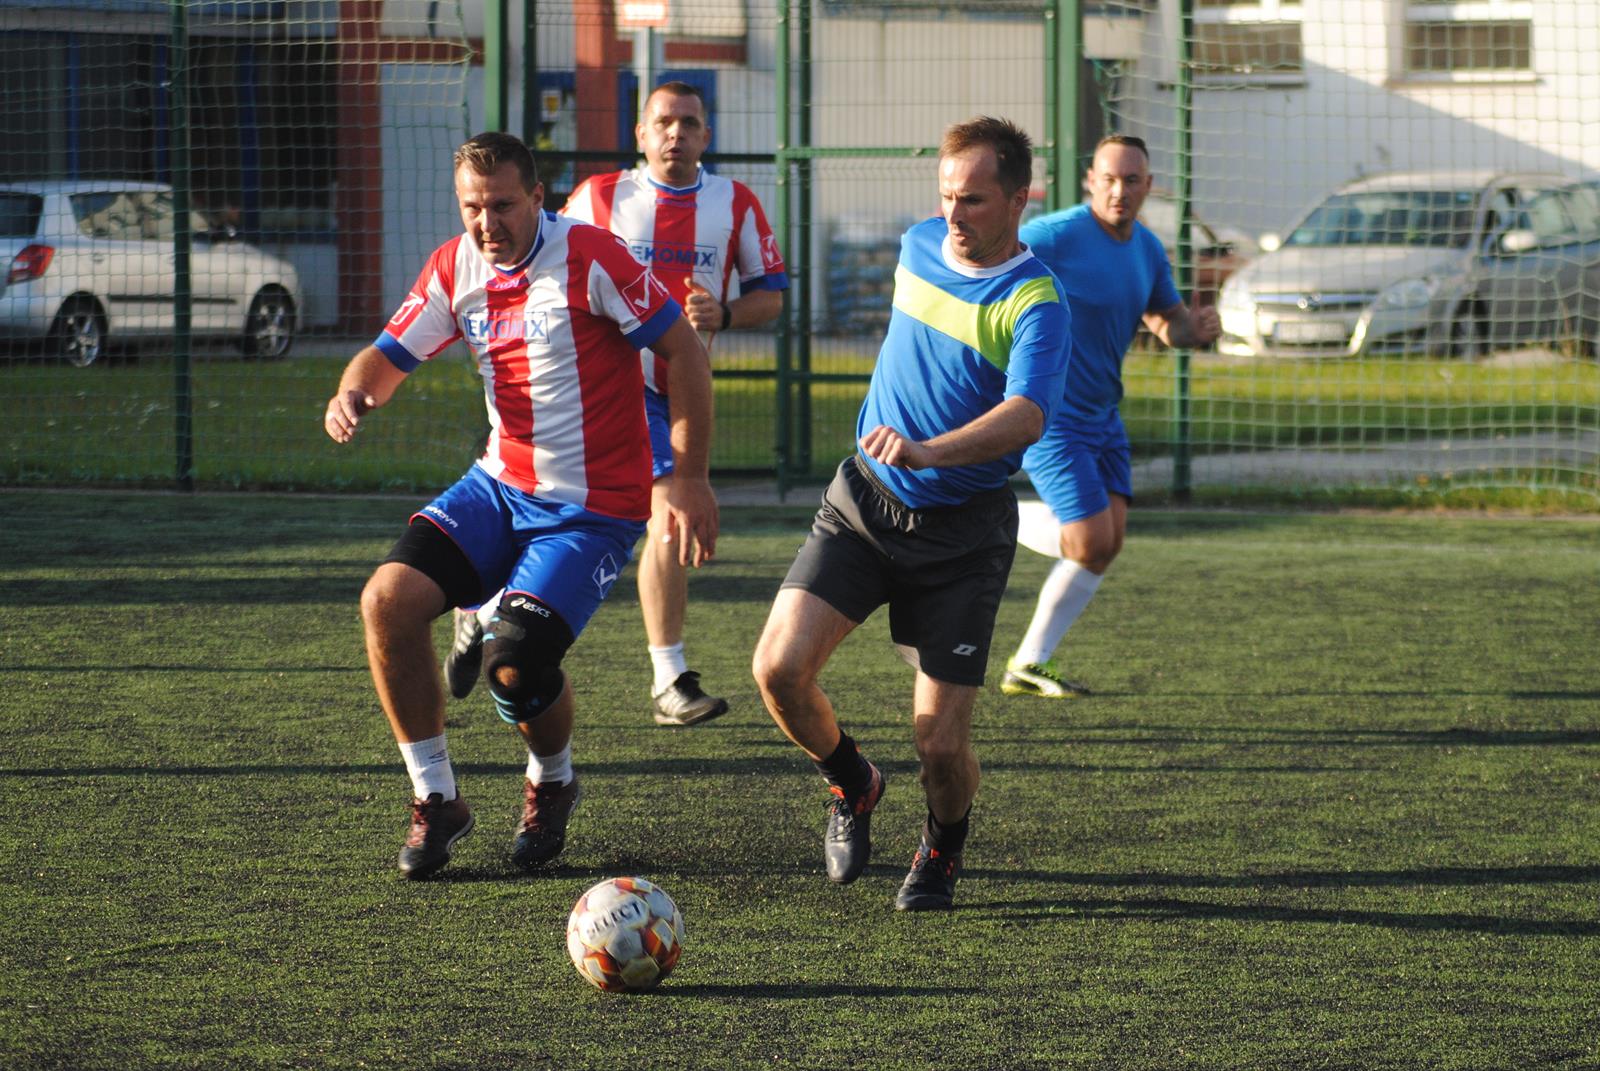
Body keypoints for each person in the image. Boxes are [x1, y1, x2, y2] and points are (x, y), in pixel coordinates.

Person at [324, 132, 717, 880]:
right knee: (387, 601)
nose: (487, 223)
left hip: (591, 508)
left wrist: (691, 476)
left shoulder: (592, 256)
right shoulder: (455, 266)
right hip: (498, 486)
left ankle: (552, 779)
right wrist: (353, 392)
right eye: (472, 207)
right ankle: (436, 797)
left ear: (538, 197)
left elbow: (685, 352)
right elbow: (386, 356)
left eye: (503, 205)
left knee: (514, 666)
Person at [749, 117, 1070, 912]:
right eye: (946, 196)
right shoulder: (918, 244)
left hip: (962, 535)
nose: (953, 215)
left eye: (974, 200)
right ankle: (852, 780)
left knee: (940, 744)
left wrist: (929, 451)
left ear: (1019, 200)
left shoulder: (1036, 302)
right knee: (778, 670)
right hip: (863, 503)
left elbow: (1027, 415)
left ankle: (942, 846)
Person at [445, 81, 787, 728]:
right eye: (663, 122)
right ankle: (665, 677)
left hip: (676, 390)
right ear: (640, 133)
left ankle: (487, 607)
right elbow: (534, 258)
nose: (676, 134)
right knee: (649, 512)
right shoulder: (599, 197)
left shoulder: (736, 202)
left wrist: (727, 313)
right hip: (600, 390)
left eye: (689, 123)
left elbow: (771, 294)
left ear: (707, 135)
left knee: (661, 518)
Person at [1000, 134, 1221, 700]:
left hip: (1103, 414)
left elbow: (1167, 321)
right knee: (1090, 539)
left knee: (1107, 541)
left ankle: (1028, 664)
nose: (1119, 190)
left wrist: (1195, 329)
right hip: (1051, 414)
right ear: (1090, 182)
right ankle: (988, 512)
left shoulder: (1146, 248)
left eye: (1131, 180)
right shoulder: (1054, 235)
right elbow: (991, 266)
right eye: (1109, 179)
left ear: (1149, 186)